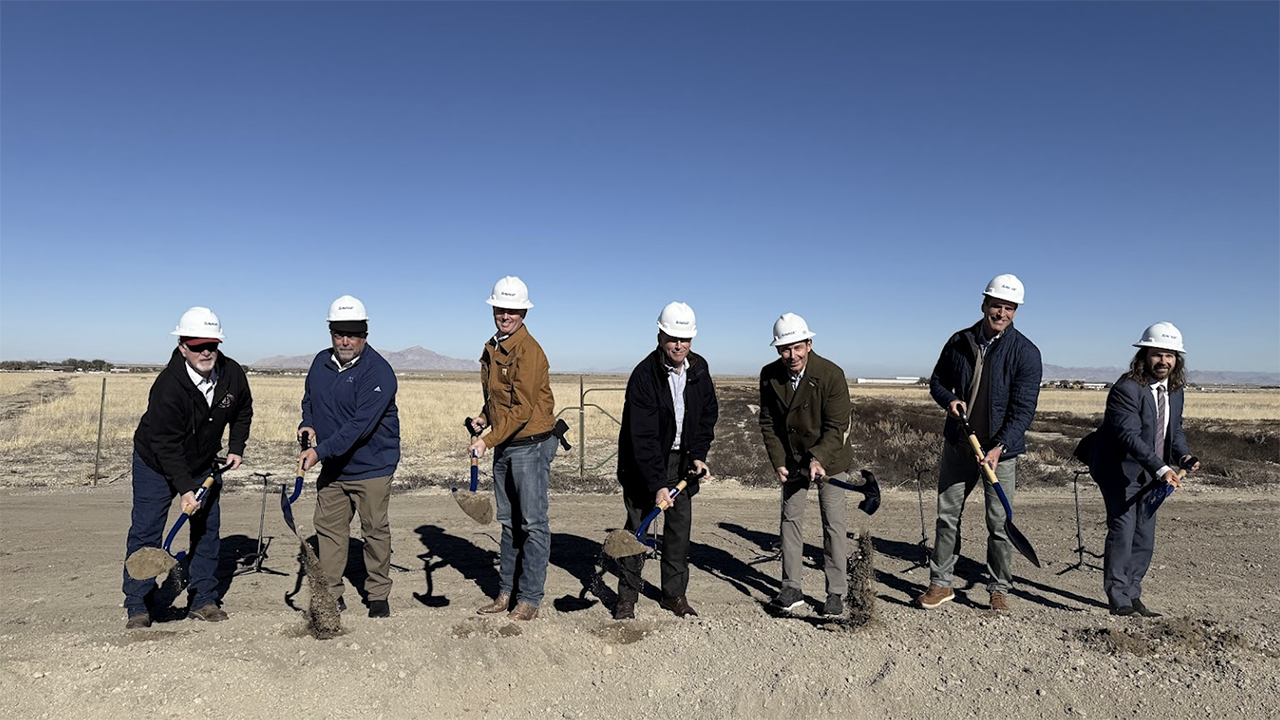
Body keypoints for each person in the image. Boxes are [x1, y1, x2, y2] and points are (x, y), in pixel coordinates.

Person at [917, 274, 1042, 613]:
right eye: (996, 305)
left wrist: (999, 447)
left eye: (1009, 308)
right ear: (984, 304)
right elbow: (938, 381)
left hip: (1001, 453)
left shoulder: (1026, 353)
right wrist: (949, 401)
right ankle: (941, 583)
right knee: (947, 515)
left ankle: (998, 588)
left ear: (1016, 312)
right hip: (960, 444)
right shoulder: (960, 341)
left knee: (999, 523)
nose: (1001, 312)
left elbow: (1024, 409)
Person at [123, 307, 253, 629]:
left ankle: (203, 598)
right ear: (182, 346)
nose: (205, 351)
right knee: (147, 530)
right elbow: (165, 445)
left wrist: (236, 447)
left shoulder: (232, 374)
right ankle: (138, 603)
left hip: (203, 463)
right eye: (196, 345)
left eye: (211, 344)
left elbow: (243, 410)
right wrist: (184, 489)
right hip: (155, 463)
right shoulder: (168, 386)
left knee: (207, 530)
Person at [614, 302, 719, 620]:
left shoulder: (699, 369)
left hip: (682, 463)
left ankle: (674, 595)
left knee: (678, 532)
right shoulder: (644, 376)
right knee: (637, 530)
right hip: (642, 464)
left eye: (685, 339)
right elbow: (643, 438)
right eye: (673, 337)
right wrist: (658, 485)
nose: (679, 345)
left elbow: (707, 416)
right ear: (660, 335)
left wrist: (699, 455)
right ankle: (627, 598)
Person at [298, 295, 400, 619]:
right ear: (331, 333)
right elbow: (309, 399)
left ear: (364, 335)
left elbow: (358, 428)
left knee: (374, 531)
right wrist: (308, 423)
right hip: (334, 466)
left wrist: (318, 451)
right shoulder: (320, 363)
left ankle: (378, 594)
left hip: (372, 467)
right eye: (339, 333)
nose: (345, 340)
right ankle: (331, 594)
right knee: (329, 531)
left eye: (352, 334)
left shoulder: (379, 373)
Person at [1088, 322, 1199, 617]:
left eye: (1170, 355)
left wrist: (1184, 456)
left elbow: (1173, 430)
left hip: (1152, 473)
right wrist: (1162, 468)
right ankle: (1118, 597)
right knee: (1123, 530)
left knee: (1144, 535)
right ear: (1144, 355)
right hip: (1118, 471)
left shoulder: (1174, 391)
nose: (1164, 361)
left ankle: (1133, 593)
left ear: (1177, 360)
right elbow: (1128, 436)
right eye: (1157, 354)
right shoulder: (1126, 389)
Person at [469, 276, 557, 622]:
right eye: (500, 309)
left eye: (512, 310)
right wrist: (482, 418)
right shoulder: (494, 346)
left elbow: (522, 408)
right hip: (506, 443)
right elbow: (499, 399)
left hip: (529, 446)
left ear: (523, 312)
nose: (505, 315)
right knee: (508, 523)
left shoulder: (529, 351)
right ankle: (506, 592)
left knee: (532, 522)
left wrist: (487, 440)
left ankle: (530, 598)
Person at [758, 313, 853, 617]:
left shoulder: (831, 374)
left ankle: (836, 592)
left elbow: (837, 426)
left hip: (830, 459)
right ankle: (791, 587)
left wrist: (819, 458)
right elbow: (768, 423)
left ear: (809, 344)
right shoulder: (769, 375)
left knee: (833, 524)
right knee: (790, 520)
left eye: (797, 347)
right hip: (792, 460)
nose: (792, 355)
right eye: (785, 349)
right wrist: (778, 461)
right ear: (777, 350)